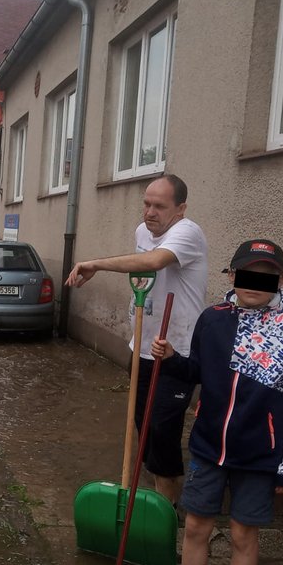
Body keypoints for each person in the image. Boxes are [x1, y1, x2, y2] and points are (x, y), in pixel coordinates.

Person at [141, 239, 283, 565]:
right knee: (197, 527)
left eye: (265, 274)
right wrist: (171, 361)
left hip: (259, 456)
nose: (254, 282)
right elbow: (199, 372)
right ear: (232, 276)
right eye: (246, 273)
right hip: (207, 447)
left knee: (242, 534)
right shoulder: (213, 319)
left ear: (281, 280)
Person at [65, 174, 208, 505]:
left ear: (180, 208)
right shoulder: (142, 232)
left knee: (162, 430)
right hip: (142, 345)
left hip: (177, 352)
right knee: (142, 423)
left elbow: (154, 262)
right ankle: (152, 495)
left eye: (160, 206)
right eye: (146, 203)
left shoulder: (188, 232)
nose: (149, 212)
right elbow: (143, 273)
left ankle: (169, 510)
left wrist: (96, 264)